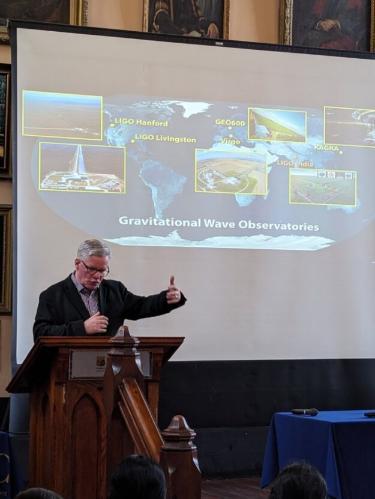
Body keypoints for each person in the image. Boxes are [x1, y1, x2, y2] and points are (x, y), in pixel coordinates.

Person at [33, 239, 186, 340]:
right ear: (77, 263)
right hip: (66, 370)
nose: (98, 276)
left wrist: (167, 299)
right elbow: (41, 333)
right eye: (92, 269)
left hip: (109, 368)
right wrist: (82, 328)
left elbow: (142, 306)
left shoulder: (115, 290)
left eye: (103, 270)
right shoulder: (52, 295)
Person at [294, 0, 367, 51]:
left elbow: (359, 24)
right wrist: (319, 23)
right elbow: (310, 18)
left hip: (345, 36)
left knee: (323, 48)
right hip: (321, 34)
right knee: (307, 41)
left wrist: (336, 23)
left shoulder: (356, 2)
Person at [150, 0, 220, 38]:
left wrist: (210, 24)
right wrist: (183, 35)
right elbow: (162, 19)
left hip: (189, 41)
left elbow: (199, 18)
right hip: (170, 43)